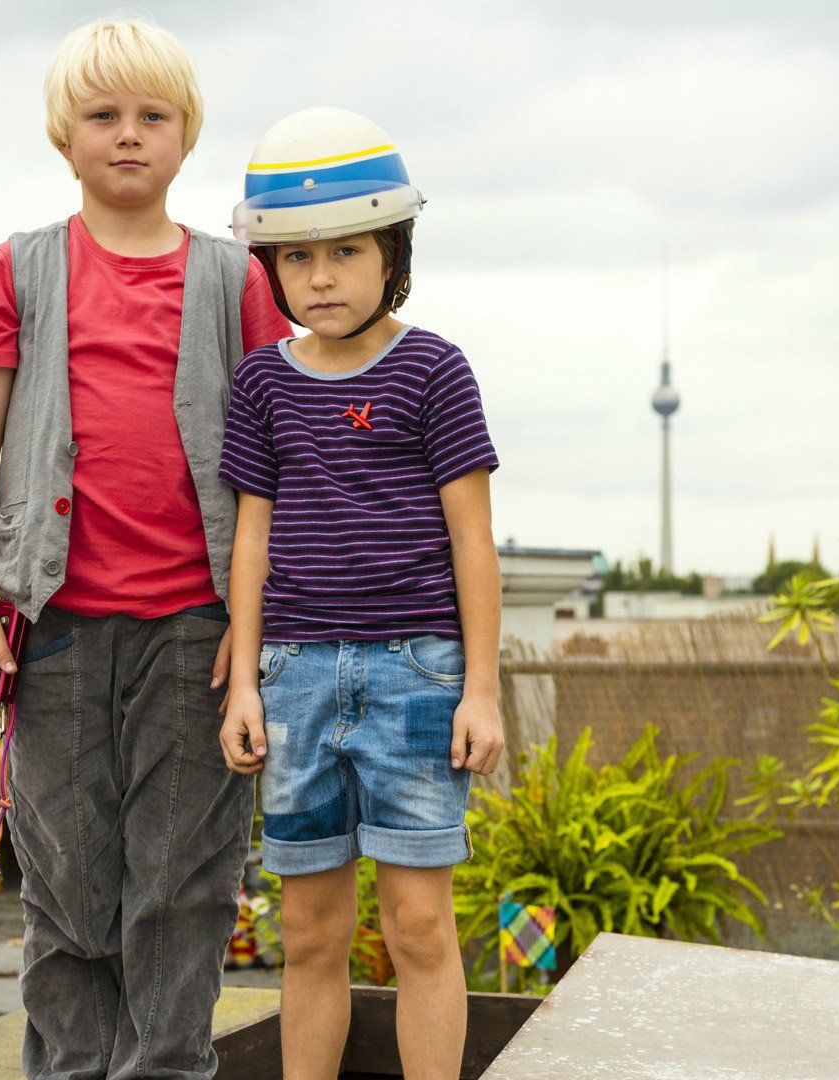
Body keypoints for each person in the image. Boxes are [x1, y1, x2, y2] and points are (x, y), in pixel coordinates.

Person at [0, 17, 289, 1080]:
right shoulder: (23, 268)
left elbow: (279, 463)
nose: (128, 135)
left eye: (153, 117)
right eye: (104, 115)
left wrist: (260, 630)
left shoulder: (237, 282)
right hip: (55, 633)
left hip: (198, 636)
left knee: (181, 888)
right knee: (69, 886)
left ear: (186, 139)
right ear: (64, 134)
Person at [216, 107, 505, 1080]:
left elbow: (474, 539)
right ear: (273, 271)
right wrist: (249, 683)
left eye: (346, 250)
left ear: (395, 252)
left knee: (419, 925)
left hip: (418, 678)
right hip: (294, 679)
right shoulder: (260, 385)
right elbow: (251, 536)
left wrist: (482, 689)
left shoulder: (435, 371)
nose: (322, 276)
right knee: (307, 929)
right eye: (297, 259)